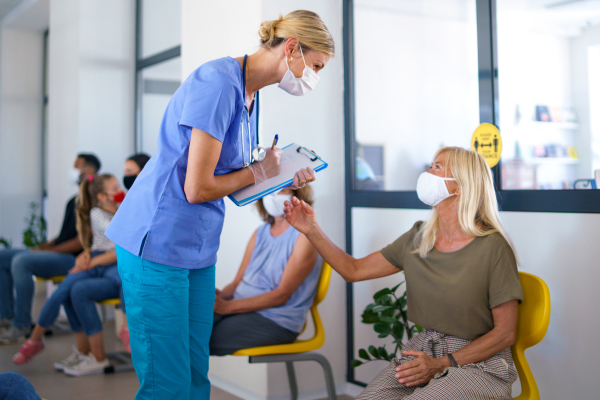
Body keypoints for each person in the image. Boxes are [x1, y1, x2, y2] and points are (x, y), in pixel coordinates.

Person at [104, 10, 334, 399]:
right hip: (156, 241)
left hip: (196, 249)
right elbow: (197, 187)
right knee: (168, 384)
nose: (314, 77)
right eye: (315, 66)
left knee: (195, 376)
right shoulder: (218, 83)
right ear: (291, 48)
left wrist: (279, 179)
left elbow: (232, 185)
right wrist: (260, 171)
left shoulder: (251, 94)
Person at [284, 147, 524, 399]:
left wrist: (443, 363)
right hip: (425, 350)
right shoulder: (418, 238)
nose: (428, 172)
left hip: (479, 365)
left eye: (438, 167)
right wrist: (311, 229)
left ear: (460, 187)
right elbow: (353, 270)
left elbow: (505, 333)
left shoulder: (493, 248)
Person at [13, 174, 126, 377]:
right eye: (115, 187)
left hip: (111, 264)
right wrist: (88, 255)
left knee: (76, 290)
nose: (120, 190)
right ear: (101, 196)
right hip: (99, 258)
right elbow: (117, 233)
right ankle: (36, 337)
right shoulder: (98, 213)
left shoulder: (121, 211)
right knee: (64, 289)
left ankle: (90, 352)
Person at [0, 153, 100, 344]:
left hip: (74, 259)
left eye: (77, 166)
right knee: (3, 256)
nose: (73, 170)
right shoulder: (74, 200)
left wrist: (47, 252)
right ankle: (6, 316)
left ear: (90, 170)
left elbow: (82, 242)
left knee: (21, 261)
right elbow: (64, 236)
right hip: (58, 253)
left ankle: (21, 325)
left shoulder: (93, 200)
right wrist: (43, 247)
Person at [210, 186, 320, 355]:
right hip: (239, 306)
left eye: (282, 189)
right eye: (270, 189)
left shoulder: (304, 237)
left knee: (203, 338)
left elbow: (282, 295)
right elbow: (237, 282)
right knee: (185, 328)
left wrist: (226, 308)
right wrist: (220, 297)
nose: (274, 195)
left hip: (276, 319)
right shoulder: (259, 233)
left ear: (297, 194)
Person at [118, 152, 151, 352]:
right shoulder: (129, 197)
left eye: (131, 171)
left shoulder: (149, 197)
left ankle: (127, 329)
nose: (126, 176)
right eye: (125, 172)